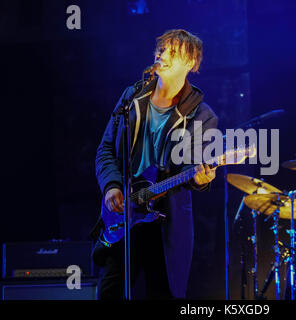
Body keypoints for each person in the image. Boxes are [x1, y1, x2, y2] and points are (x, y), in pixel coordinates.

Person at [90, 29, 218, 300]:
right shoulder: (131, 97)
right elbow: (105, 150)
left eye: (174, 52)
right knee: (109, 293)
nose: (163, 55)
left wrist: (198, 177)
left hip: (166, 222)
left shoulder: (202, 115)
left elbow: (190, 167)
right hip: (125, 216)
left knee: (163, 293)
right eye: (162, 50)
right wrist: (111, 186)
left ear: (191, 64)